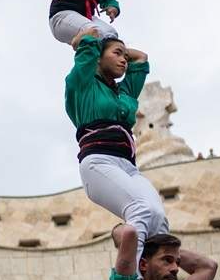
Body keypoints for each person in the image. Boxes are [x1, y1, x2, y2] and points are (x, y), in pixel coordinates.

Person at [67, 32, 170, 255]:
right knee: (140, 209)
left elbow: (141, 58)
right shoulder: (83, 85)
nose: (124, 60)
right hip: (99, 162)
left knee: (158, 217)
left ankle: (159, 278)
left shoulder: (123, 94)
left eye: (125, 56)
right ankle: (132, 277)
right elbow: (88, 43)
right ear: (97, 58)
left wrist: (116, 49)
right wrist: (100, 41)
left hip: (129, 168)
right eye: (117, 54)